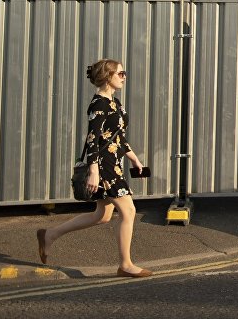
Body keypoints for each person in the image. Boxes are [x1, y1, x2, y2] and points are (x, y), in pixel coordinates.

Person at [36, 59, 152, 277]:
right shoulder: (98, 104)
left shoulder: (115, 103)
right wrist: (94, 171)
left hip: (114, 162)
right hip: (104, 165)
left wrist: (134, 159)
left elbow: (117, 137)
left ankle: (49, 234)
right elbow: (92, 140)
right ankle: (125, 264)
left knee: (103, 215)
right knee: (128, 211)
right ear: (108, 77)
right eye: (120, 73)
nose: (124, 76)